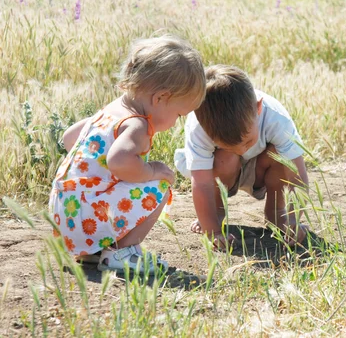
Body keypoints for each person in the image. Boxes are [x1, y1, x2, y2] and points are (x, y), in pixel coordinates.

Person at [49, 35, 206, 274]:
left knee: (116, 183)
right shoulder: (136, 125)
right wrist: (153, 170)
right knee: (159, 185)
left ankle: (92, 252)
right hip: (86, 213)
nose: (176, 123)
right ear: (160, 98)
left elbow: (70, 137)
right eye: (179, 114)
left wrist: (94, 174)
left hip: (64, 212)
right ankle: (122, 253)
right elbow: (119, 161)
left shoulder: (108, 112)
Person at [174, 64, 309, 248]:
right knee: (226, 157)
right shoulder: (199, 126)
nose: (240, 150)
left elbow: (297, 176)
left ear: (258, 108)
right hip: (222, 169)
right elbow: (202, 182)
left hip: (262, 167)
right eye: (229, 145)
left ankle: (276, 213)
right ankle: (217, 213)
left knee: (280, 156)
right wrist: (211, 229)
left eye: (247, 141)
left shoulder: (276, 118)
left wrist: (294, 218)